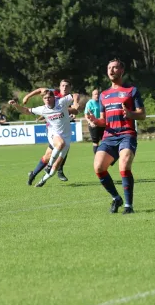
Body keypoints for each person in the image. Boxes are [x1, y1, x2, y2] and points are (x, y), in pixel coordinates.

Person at [85, 58, 145, 214]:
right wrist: (95, 121)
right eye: (109, 68)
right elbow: (104, 121)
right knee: (98, 167)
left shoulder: (132, 91)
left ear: (122, 71)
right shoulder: (104, 95)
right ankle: (116, 198)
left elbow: (142, 114)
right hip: (109, 136)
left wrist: (131, 113)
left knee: (124, 166)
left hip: (127, 134)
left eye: (115, 67)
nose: (111, 70)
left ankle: (128, 206)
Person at [10, 90, 75, 187]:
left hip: (67, 137)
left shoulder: (61, 102)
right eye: (45, 98)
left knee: (54, 167)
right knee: (60, 144)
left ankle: (41, 180)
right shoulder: (43, 109)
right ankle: (48, 166)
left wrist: (76, 104)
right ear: (43, 100)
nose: (47, 100)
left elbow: (75, 95)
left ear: (54, 98)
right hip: (53, 133)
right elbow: (26, 111)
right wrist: (16, 105)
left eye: (49, 97)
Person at [22, 79, 80, 181]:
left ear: (70, 87)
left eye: (67, 86)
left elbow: (75, 99)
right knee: (60, 147)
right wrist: (27, 96)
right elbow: (41, 90)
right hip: (52, 129)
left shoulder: (67, 98)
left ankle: (34, 173)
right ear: (59, 86)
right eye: (62, 86)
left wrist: (74, 108)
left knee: (51, 154)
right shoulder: (54, 93)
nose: (64, 88)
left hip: (62, 128)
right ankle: (58, 171)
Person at [85, 88, 105, 154]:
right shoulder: (89, 103)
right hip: (94, 125)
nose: (97, 95)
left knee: (104, 141)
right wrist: (90, 122)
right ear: (92, 95)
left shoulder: (102, 102)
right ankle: (97, 157)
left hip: (102, 124)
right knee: (96, 142)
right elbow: (86, 116)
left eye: (98, 94)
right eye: (95, 94)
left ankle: (103, 156)